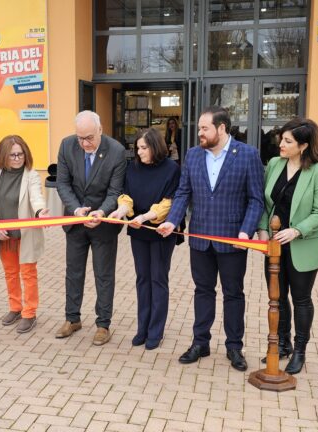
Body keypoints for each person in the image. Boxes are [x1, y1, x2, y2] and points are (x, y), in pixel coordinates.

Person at [157, 106, 264, 372]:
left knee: (233, 293)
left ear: (222, 128)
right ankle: (200, 342)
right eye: (199, 129)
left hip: (233, 240)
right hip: (201, 239)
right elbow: (183, 193)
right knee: (202, 291)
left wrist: (246, 231)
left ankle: (234, 346)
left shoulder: (248, 155)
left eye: (205, 128)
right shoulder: (193, 156)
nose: (200, 134)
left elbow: (255, 199)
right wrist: (172, 220)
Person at [256, 118, 318, 374]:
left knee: (301, 299)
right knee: (277, 296)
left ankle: (300, 351)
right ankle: (282, 343)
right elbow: (267, 204)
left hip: (302, 245)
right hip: (274, 245)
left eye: (288, 141)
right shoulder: (274, 165)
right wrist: (263, 230)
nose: (281, 144)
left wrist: (297, 230)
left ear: (304, 145)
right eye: (282, 139)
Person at [55, 110, 126, 345]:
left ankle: (103, 324)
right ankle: (72, 318)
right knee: (73, 273)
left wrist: (101, 212)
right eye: (80, 138)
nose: (85, 143)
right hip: (76, 223)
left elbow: (114, 191)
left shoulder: (116, 151)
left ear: (100, 130)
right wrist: (76, 210)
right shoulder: (67, 146)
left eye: (89, 138)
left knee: (103, 276)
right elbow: (63, 183)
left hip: (102, 225)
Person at [108, 129, 180, 350]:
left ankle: (156, 331)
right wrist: (121, 210)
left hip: (160, 231)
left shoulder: (171, 169)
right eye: (137, 148)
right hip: (138, 231)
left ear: (155, 147)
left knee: (158, 278)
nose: (139, 153)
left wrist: (146, 216)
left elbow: (169, 202)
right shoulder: (134, 167)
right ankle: (143, 327)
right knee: (142, 278)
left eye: (143, 148)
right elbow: (127, 195)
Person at [0, 135, 49, 334]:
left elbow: (36, 197)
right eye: (12, 155)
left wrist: (40, 212)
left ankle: (29, 313)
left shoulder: (31, 175)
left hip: (25, 234)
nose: (17, 158)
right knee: (10, 273)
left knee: (28, 273)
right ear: (3, 155)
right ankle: (15, 308)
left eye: (20, 154)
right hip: (4, 235)